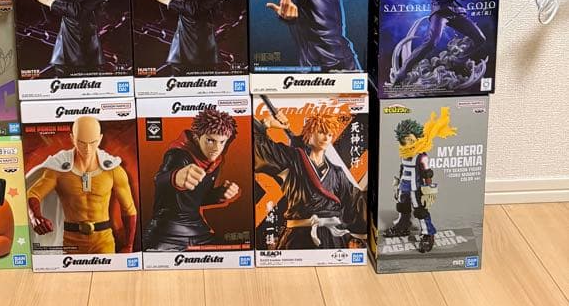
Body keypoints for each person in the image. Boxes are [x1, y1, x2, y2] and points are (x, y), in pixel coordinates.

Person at [253, 105, 365, 251]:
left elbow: (355, 202)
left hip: (333, 238)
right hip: (299, 236)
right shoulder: (292, 159)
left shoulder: (337, 172)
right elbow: (260, 149)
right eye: (321, 132)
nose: (326, 137)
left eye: (330, 134)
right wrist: (267, 123)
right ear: (309, 133)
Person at [25, 116, 137, 254]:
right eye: (81, 142)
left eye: (93, 142)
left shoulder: (113, 170)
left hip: (103, 241)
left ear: (100, 139)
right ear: (72, 138)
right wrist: (35, 216)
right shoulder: (58, 169)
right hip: (70, 242)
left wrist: (129, 245)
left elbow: (129, 209)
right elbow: (33, 193)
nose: (87, 148)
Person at [142, 107, 240, 251]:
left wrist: (220, 194)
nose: (216, 148)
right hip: (167, 232)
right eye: (210, 140)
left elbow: (196, 199)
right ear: (196, 137)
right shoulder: (178, 155)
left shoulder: (214, 162)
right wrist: (175, 177)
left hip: (198, 231)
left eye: (222, 142)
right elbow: (159, 180)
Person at [383, 107, 456, 254]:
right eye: (405, 139)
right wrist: (398, 184)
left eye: (411, 139)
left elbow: (427, 173)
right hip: (404, 185)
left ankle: (428, 233)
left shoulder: (421, 156)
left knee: (420, 211)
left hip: (416, 187)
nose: (408, 141)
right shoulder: (404, 153)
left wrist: (429, 189)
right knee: (402, 206)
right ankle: (403, 226)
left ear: (417, 137)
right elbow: (402, 169)